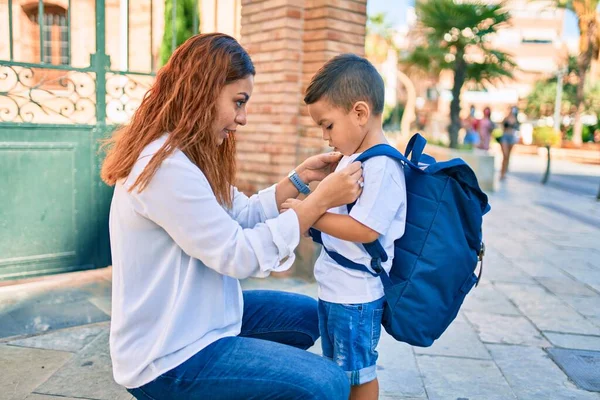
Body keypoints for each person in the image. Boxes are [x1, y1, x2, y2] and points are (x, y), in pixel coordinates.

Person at [100, 33, 365, 400]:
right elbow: (237, 254)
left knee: (308, 316)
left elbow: (240, 213)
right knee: (327, 383)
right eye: (238, 102)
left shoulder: (186, 155)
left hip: (202, 319)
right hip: (169, 356)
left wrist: (300, 180)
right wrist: (317, 203)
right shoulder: (164, 167)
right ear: (202, 91)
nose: (243, 118)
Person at [281, 54, 407, 400]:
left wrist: (311, 213)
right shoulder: (355, 159)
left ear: (360, 113)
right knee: (340, 369)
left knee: (358, 374)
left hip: (357, 296)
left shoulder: (383, 166)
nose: (325, 136)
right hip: (337, 289)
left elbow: (365, 229)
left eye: (328, 125)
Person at [499, 106, 520, 180]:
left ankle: (504, 172)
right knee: (505, 155)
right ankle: (502, 172)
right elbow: (502, 125)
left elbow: (517, 129)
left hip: (512, 138)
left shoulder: (516, 119)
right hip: (505, 136)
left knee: (508, 156)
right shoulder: (506, 118)